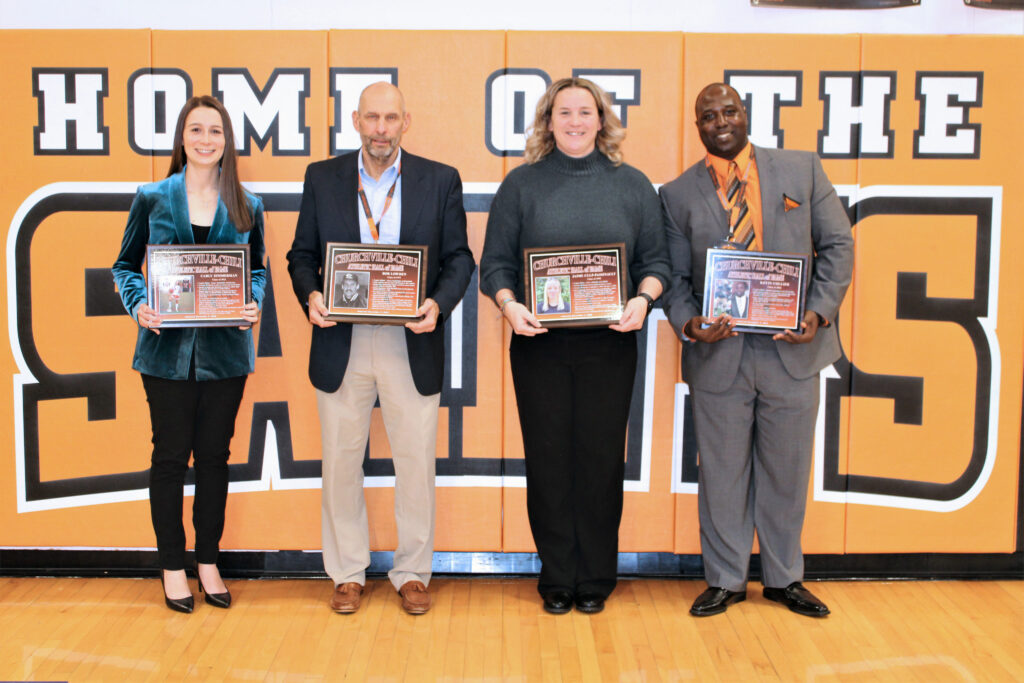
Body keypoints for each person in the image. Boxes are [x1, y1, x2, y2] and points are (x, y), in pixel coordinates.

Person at [660, 83, 853, 618]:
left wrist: (817, 312)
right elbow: (675, 280)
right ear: (697, 125)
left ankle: (784, 578)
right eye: (708, 115)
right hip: (719, 356)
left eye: (729, 111)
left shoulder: (801, 169)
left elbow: (838, 245)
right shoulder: (676, 195)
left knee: (787, 472)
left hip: (793, 349)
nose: (720, 121)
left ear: (744, 114)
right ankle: (724, 579)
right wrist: (690, 323)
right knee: (721, 473)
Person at [480, 77, 670, 616]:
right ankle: (557, 574)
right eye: (564, 112)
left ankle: (596, 574)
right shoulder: (520, 187)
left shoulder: (633, 185)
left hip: (611, 345)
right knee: (548, 461)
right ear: (548, 121)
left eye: (585, 112)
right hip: (538, 345)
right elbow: (494, 264)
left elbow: (657, 264)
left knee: (601, 460)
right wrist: (509, 305)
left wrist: (643, 300)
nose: (575, 121)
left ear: (601, 120)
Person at [287, 82, 474, 616]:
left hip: (410, 339)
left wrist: (436, 304)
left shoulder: (440, 180)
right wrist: (312, 295)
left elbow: (459, 259)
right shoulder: (322, 178)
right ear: (356, 119)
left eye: (390, 119)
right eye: (371, 118)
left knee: (415, 464)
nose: (380, 129)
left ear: (406, 121)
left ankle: (412, 572)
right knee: (341, 463)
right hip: (341, 339)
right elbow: (301, 254)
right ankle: (347, 573)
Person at [112, 95, 265, 613]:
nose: (205, 140)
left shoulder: (248, 203)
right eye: (196, 130)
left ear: (227, 141)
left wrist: (253, 301)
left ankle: (208, 561)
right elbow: (125, 266)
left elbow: (259, 270)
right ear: (182, 138)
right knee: (170, 459)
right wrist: (139, 307)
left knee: (216, 459)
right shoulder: (152, 198)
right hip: (165, 355)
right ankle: (172, 566)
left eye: (215, 131)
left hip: (225, 355)